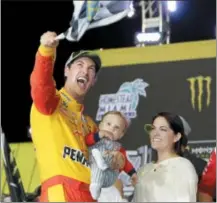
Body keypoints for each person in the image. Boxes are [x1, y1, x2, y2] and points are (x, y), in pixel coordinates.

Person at [30, 31, 123, 202]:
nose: (85, 71)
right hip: (61, 192)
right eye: (79, 65)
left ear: (93, 80)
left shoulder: (91, 125)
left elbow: (103, 162)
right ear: (67, 70)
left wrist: (116, 160)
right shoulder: (51, 103)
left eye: (91, 69)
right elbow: (41, 84)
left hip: (90, 195)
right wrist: (46, 51)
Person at [133, 112, 198, 202]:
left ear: (176, 136)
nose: (155, 133)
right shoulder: (144, 169)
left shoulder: (182, 167)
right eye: (153, 128)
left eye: (163, 129)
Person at [85, 111, 138, 186]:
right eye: (108, 124)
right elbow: (87, 141)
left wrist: (133, 174)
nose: (111, 128)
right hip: (92, 174)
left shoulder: (118, 149)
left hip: (108, 179)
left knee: (118, 160)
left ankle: (104, 165)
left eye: (116, 127)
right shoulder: (95, 137)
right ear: (100, 126)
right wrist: (98, 135)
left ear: (121, 135)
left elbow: (125, 163)